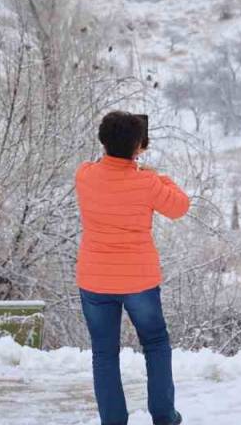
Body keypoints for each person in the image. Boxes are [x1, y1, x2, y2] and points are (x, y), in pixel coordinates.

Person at [75, 111, 189, 425]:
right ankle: (164, 415)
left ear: (103, 140)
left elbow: (102, 167)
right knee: (154, 343)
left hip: (95, 279)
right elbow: (180, 206)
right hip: (139, 280)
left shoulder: (84, 175)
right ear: (139, 146)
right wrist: (157, 175)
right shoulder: (148, 182)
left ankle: (113, 420)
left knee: (104, 353)